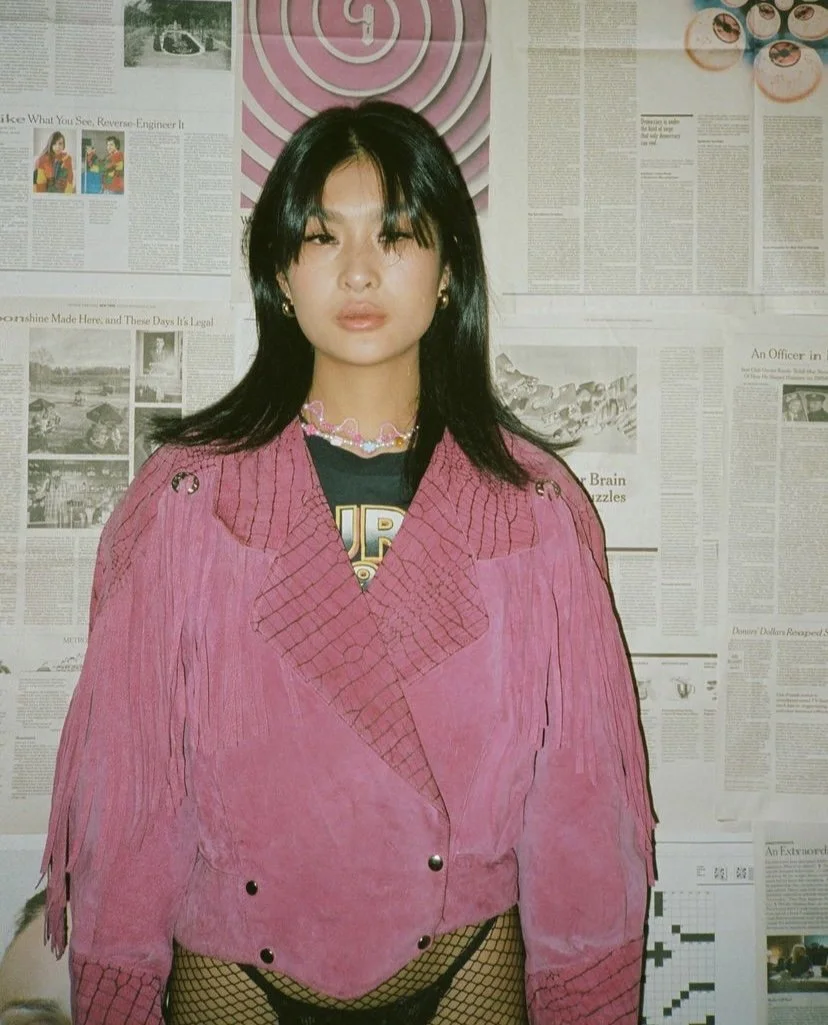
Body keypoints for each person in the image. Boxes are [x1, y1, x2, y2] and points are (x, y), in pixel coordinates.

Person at [43, 100, 654, 1025]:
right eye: (324, 236)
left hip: (464, 962)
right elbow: (135, 795)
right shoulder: (186, 502)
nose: (361, 270)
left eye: (399, 234)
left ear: (449, 270)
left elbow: (578, 808)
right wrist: (117, 985)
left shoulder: (533, 510)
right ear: (281, 273)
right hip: (235, 965)